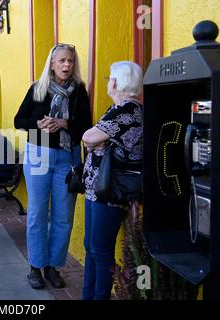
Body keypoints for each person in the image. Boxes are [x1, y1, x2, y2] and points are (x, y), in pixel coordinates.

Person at [14, 43, 92, 290]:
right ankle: (35, 267)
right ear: (52, 63)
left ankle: (53, 267)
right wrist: (39, 124)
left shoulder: (79, 91)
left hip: (68, 158)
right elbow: (19, 120)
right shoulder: (38, 89)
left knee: (63, 217)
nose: (67, 65)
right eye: (62, 61)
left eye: (70, 61)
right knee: (37, 213)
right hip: (38, 154)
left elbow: (87, 127)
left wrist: (65, 122)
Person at [81, 61, 143, 300]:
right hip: (98, 189)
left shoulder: (127, 110)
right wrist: (99, 140)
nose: (108, 82)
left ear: (116, 82)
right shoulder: (119, 109)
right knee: (92, 248)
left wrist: (98, 139)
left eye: (109, 78)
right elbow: (93, 139)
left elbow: (89, 137)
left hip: (110, 191)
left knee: (100, 250)